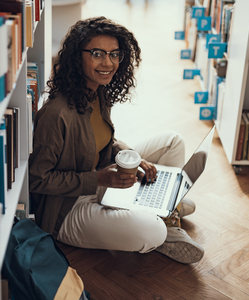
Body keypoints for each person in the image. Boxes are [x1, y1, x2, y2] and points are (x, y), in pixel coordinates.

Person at [28, 16, 204, 264]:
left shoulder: (98, 90)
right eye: (98, 54)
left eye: (114, 54)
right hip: (68, 209)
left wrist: (133, 156)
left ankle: (162, 207)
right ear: (77, 56)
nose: (108, 63)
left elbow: (100, 141)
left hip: (102, 176)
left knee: (172, 141)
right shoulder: (56, 115)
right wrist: (98, 179)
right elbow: (37, 179)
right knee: (151, 232)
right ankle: (164, 220)